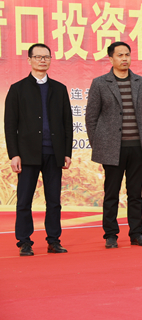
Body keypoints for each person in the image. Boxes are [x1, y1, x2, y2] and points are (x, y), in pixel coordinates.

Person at [4, 43, 73, 256]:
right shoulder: (17, 89)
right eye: (38, 57)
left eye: (46, 57)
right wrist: (14, 154)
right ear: (29, 60)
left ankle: (53, 240)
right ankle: (24, 242)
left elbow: (67, 123)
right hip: (27, 154)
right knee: (24, 200)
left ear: (50, 60)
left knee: (54, 201)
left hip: (54, 153)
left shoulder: (59, 89)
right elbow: (10, 125)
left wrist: (67, 152)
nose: (43, 60)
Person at [86, 41, 142, 248]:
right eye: (120, 55)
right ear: (111, 58)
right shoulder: (100, 83)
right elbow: (91, 117)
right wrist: (99, 145)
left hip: (137, 148)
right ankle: (111, 235)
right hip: (112, 149)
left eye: (127, 55)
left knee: (135, 194)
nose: (124, 59)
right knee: (111, 193)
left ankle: (136, 233)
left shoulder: (141, 82)